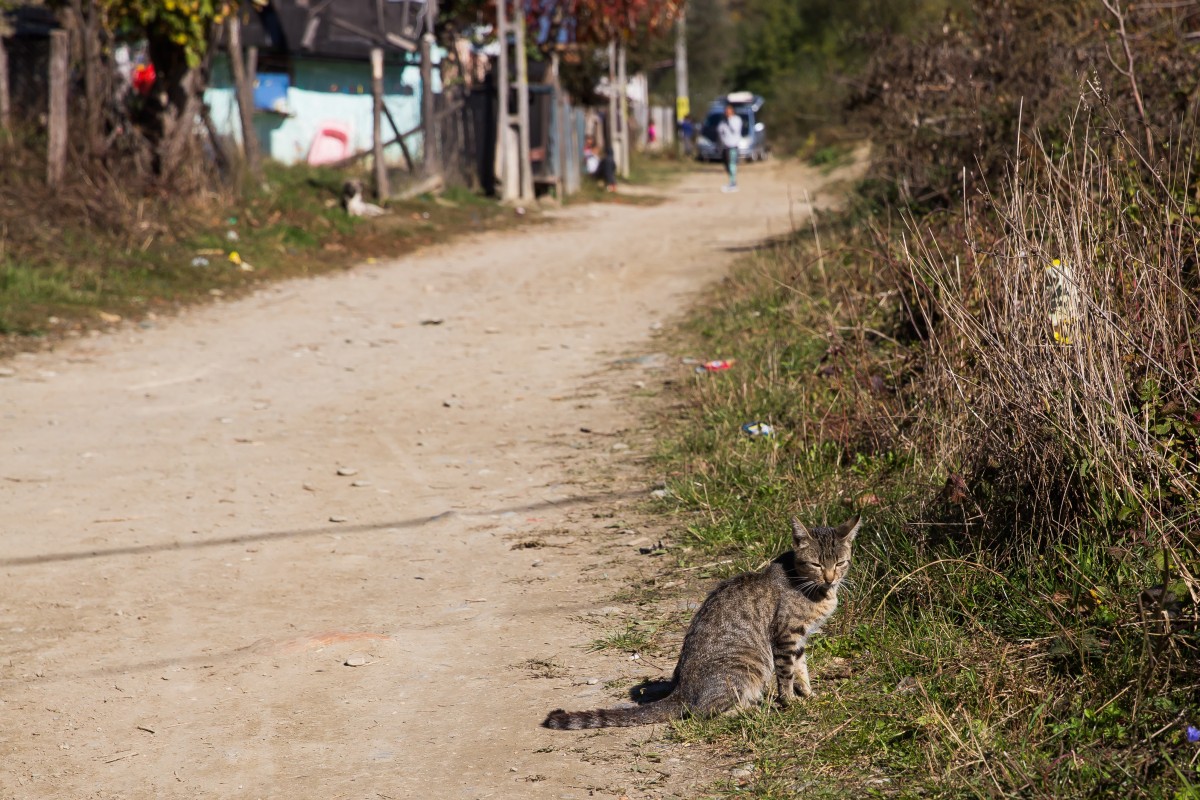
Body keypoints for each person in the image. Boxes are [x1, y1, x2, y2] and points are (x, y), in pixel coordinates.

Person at [716, 103, 743, 192]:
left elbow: (735, 129)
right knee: (727, 165)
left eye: (728, 111)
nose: (727, 113)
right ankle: (731, 181)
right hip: (725, 146)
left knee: (732, 164)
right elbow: (720, 131)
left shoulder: (736, 120)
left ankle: (733, 183)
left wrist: (729, 121)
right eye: (726, 111)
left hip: (733, 146)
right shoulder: (723, 121)